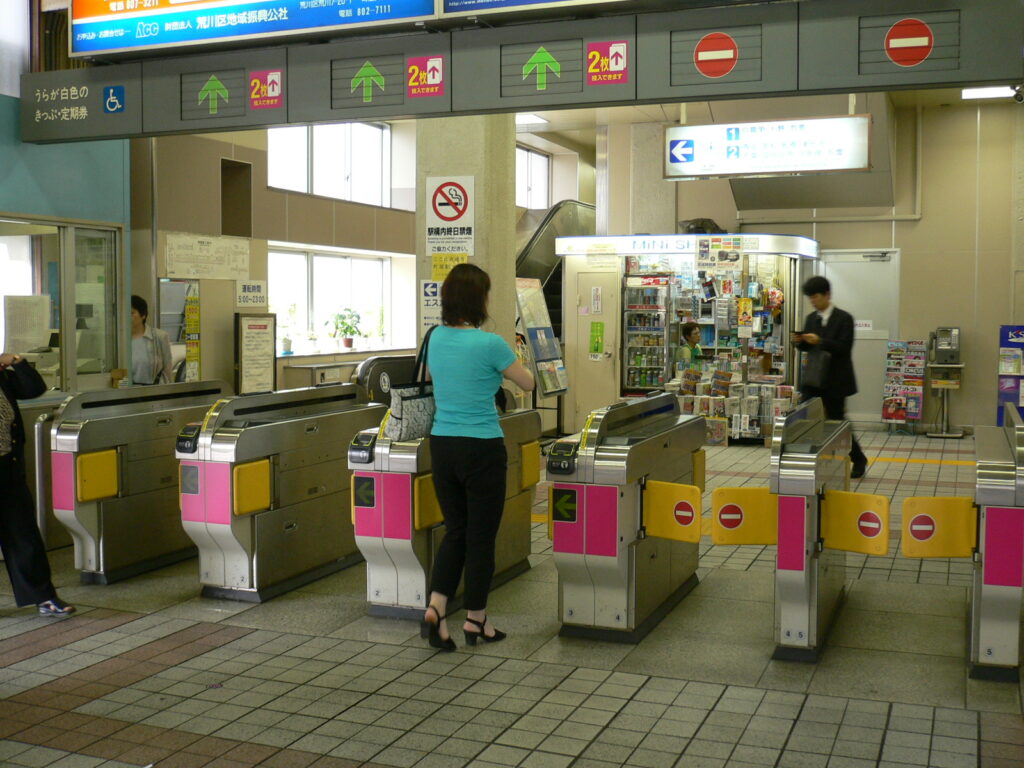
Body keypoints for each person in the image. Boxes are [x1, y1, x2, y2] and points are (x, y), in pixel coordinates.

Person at [422, 264, 535, 651]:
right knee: (481, 537)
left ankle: (436, 608)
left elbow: (438, 381)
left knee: (455, 531)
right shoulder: (490, 344)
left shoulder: (434, 337)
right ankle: (475, 620)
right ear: (479, 300)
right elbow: (528, 382)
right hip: (482, 447)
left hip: (443, 444)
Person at [0, 352, 75, 617]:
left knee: (24, 533)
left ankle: (44, 596)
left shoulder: (2, 378)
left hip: (7, 466)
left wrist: (17, 362)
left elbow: (33, 388)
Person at [791, 276, 868, 479]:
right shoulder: (811, 319)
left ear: (827, 294)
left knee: (837, 421)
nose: (813, 302)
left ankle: (858, 458)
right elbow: (807, 347)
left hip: (836, 380)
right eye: (810, 298)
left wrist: (821, 340)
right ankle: (804, 460)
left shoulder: (844, 318)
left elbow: (844, 347)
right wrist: (799, 342)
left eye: (815, 297)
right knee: (806, 417)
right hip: (813, 378)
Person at [130, 295, 173, 385]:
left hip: (155, 390)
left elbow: (167, 368)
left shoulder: (159, 336)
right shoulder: (121, 341)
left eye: (131, 313)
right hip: (130, 392)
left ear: (143, 315)